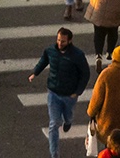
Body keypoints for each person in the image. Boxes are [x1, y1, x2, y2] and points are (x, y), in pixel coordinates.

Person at [29, 28, 90, 158]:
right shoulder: (51, 50)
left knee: (68, 116)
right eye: (58, 40)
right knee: (54, 123)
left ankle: (68, 122)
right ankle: (54, 154)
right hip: (53, 93)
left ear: (69, 41)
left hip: (69, 95)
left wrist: (77, 92)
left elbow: (85, 74)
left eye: (63, 41)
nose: (59, 43)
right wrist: (35, 72)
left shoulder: (77, 55)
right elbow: (44, 60)